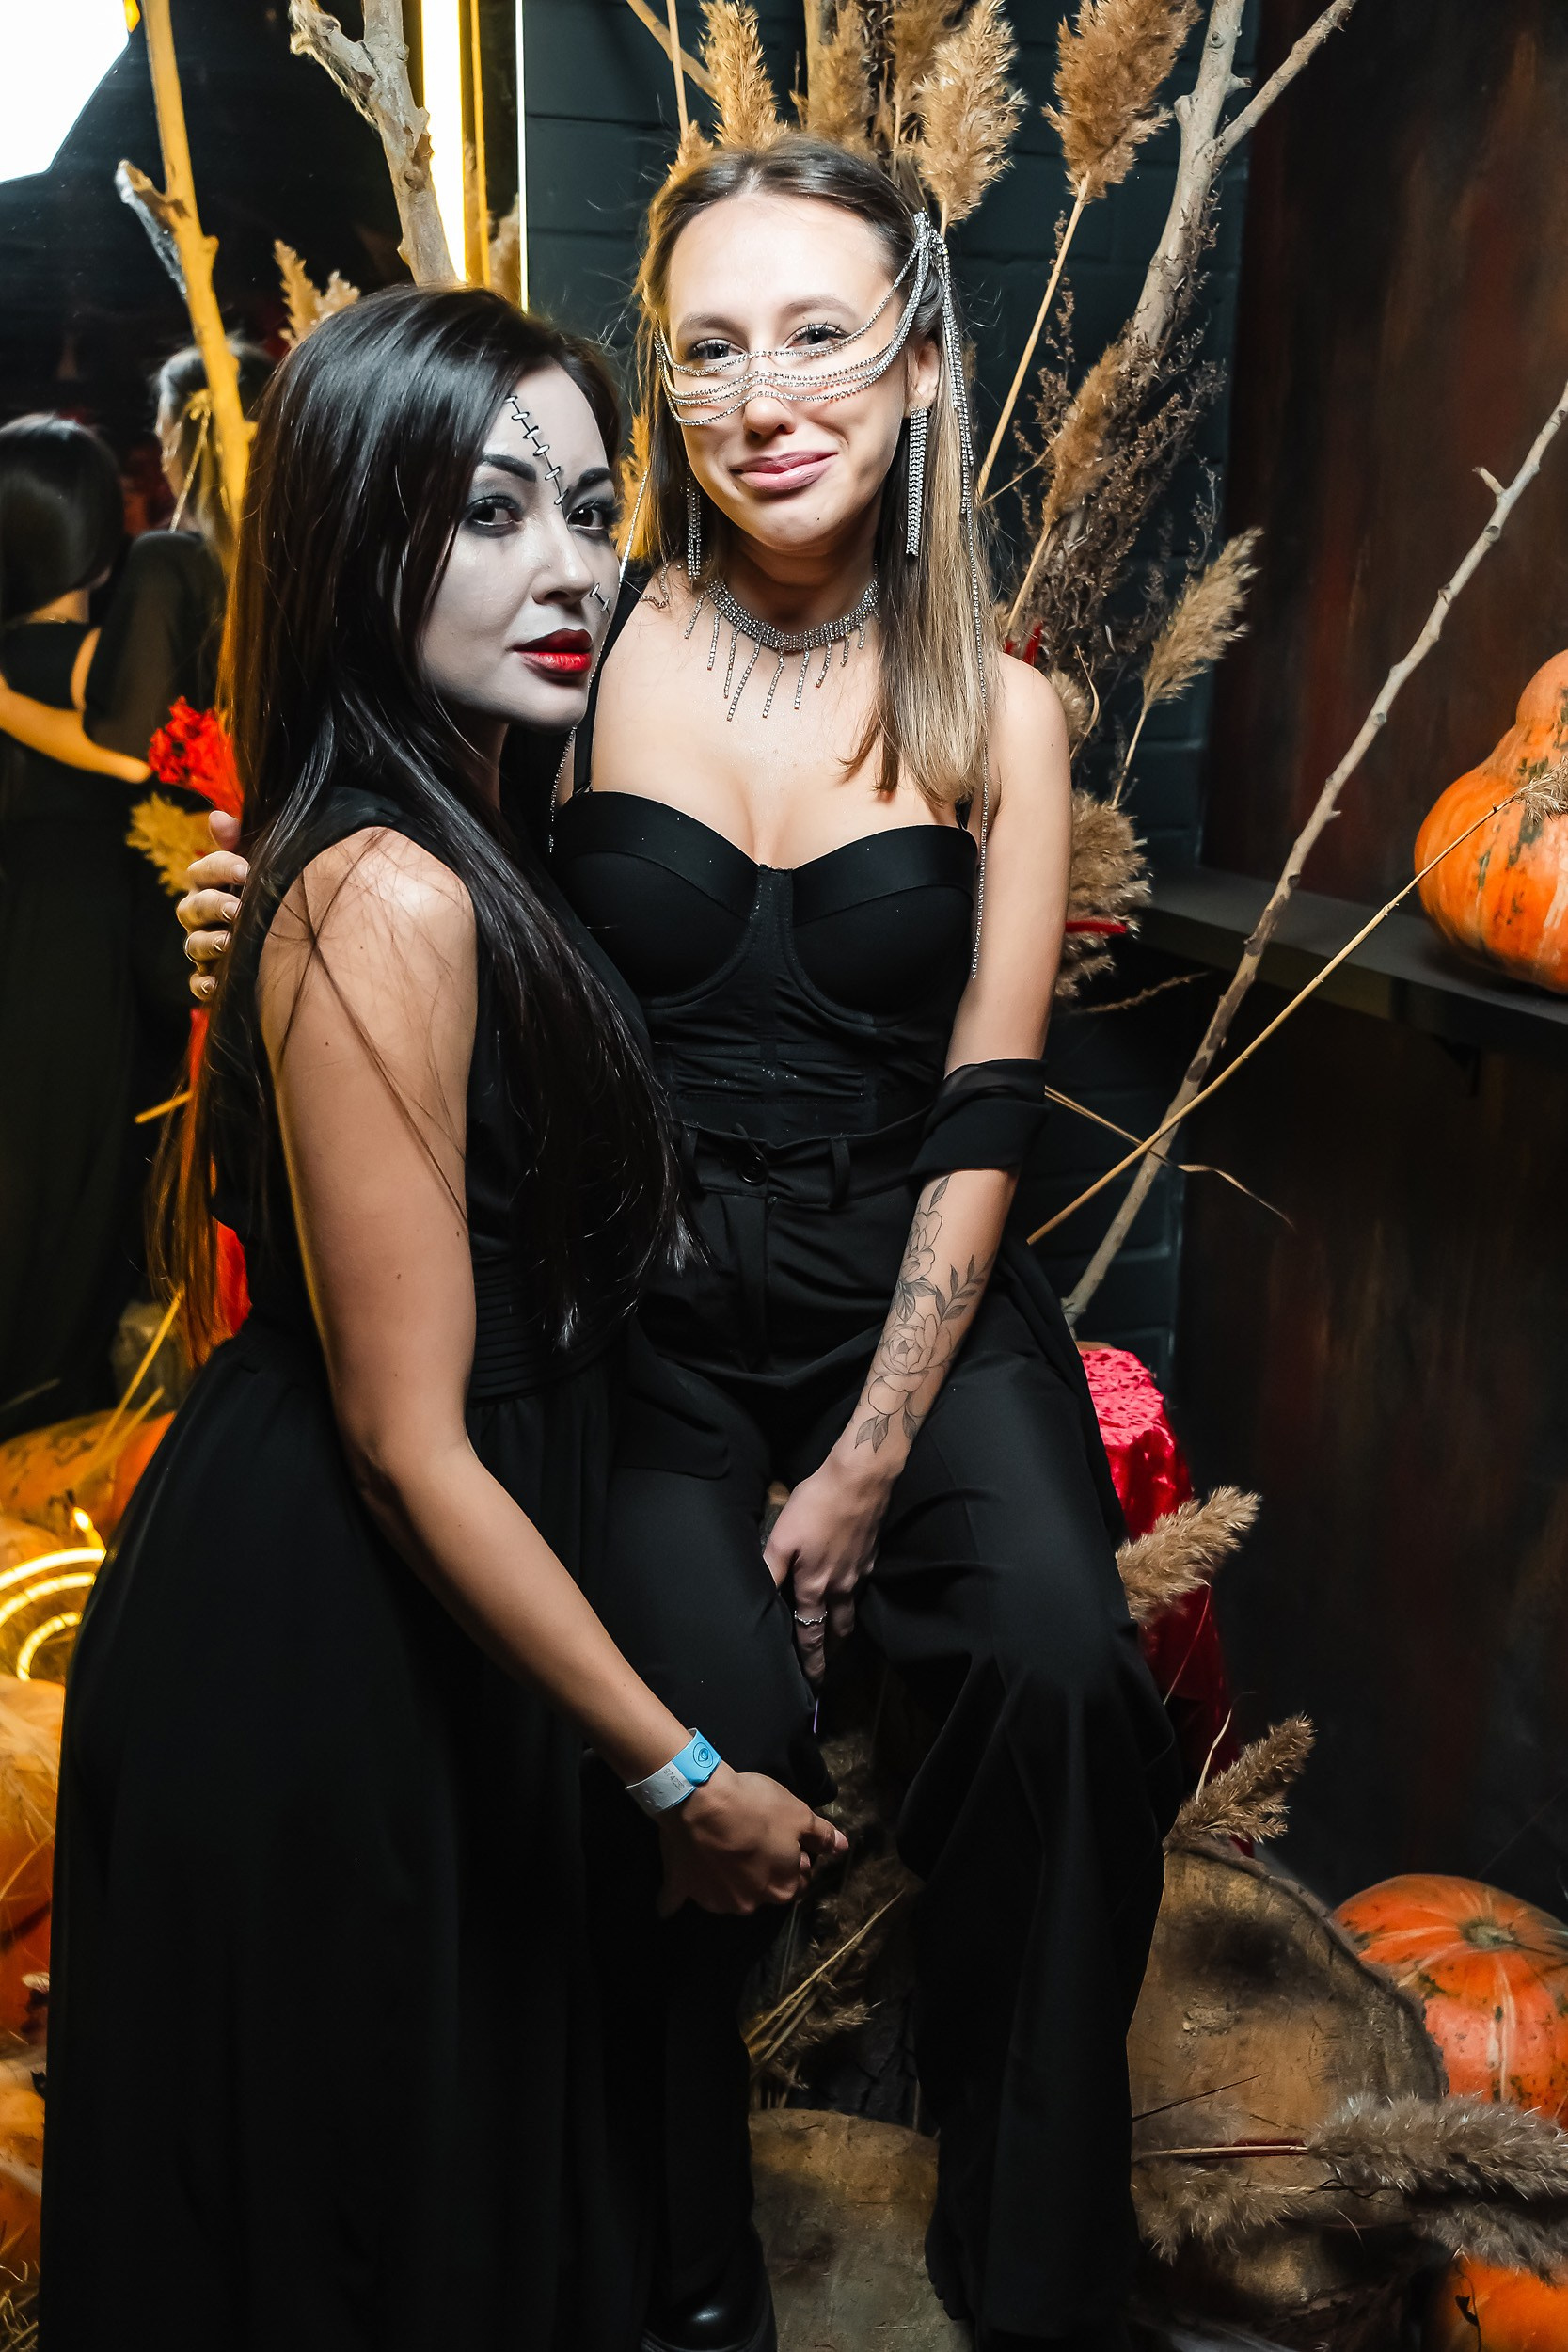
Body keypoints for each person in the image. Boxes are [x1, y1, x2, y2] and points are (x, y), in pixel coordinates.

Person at [182, 142, 1184, 2352]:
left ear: (917, 364)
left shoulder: (1000, 710)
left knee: (1052, 1666)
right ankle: (678, 2284)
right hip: (636, 1303)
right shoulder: (586, 642)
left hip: (914, 1297)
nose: (762, 398)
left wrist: (867, 1458)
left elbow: (990, 1105)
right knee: (682, 1735)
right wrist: (260, 921)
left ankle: (1034, 2280)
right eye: (709, 350)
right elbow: (417, 890)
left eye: (818, 335)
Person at [45, 285, 843, 2352]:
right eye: (489, 512)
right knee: (364, 2226)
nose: (567, 565)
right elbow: (408, 1437)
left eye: (585, 507)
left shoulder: (468, 835)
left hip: (423, 1587)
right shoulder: (392, 890)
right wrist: (679, 1771)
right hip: (333, 1622)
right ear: (353, 531)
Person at [0, 415, 171, 1438]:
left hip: (27, 929)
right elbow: (140, 750)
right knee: (68, 1187)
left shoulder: (20, 663)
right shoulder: (99, 662)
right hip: (79, 950)